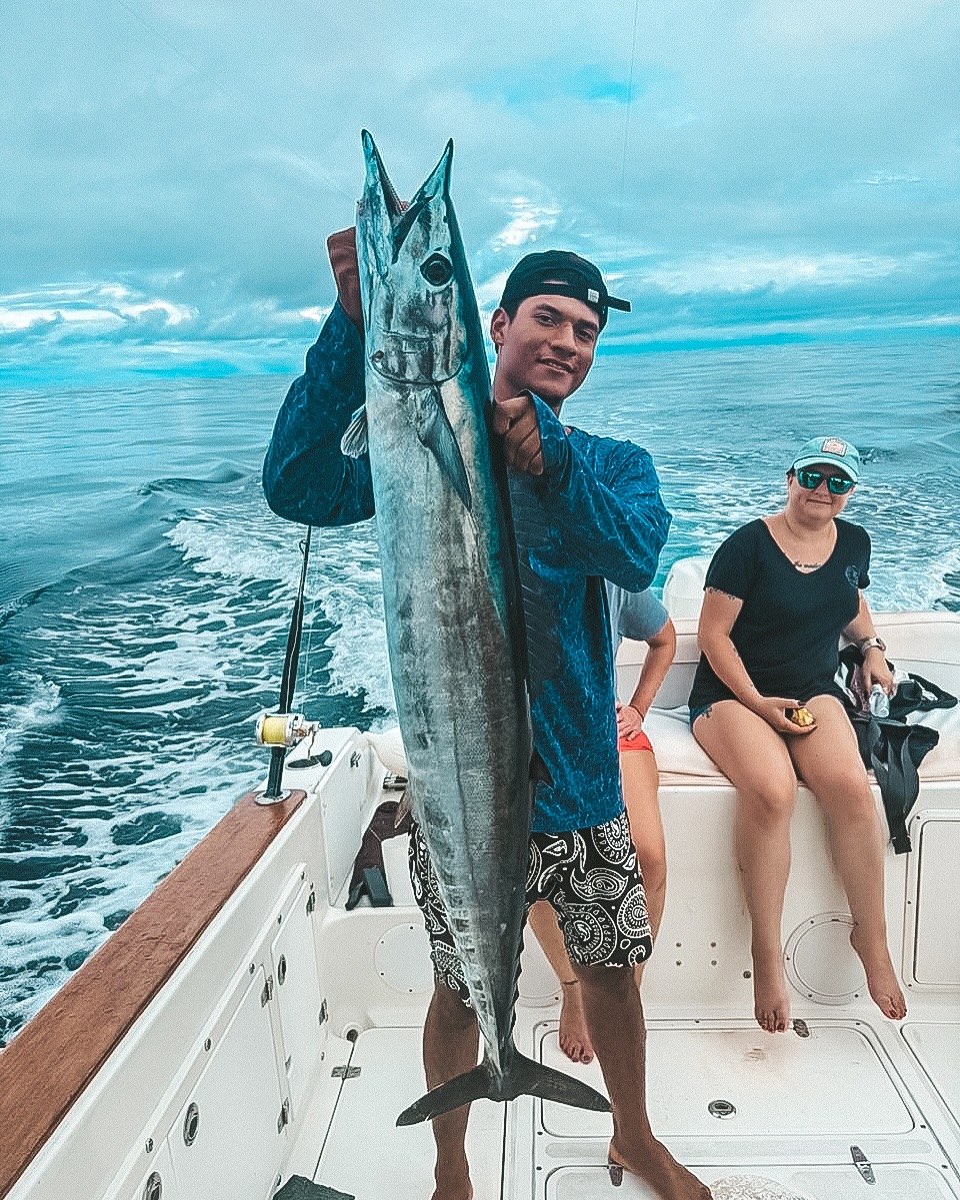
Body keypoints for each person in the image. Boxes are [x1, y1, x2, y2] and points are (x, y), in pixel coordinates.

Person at [264, 234, 709, 1200]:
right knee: (461, 989)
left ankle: (634, 1136)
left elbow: (634, 553)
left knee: (613, 979)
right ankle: (451, 1163)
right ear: (495, 326)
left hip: (582, 788)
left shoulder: (612, 463)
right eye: (547, 318)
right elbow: (295, 484)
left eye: (587, 331)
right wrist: (349, 327)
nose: (568, 342)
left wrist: (551, 464)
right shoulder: (412, 451)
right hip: (457, 790)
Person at [688, 436, 907, 1035]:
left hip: (813, 690)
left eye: (837, 482)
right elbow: (712, 637)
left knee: (851, 790)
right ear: (790, 478)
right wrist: (759, 704)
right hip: (733, 695)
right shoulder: (746, 548)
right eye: (813, 475)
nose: (822, 490)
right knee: (774, 791)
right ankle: (767, 953)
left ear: (850, 492)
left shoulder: (854, 541)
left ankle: (873, 937)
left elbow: (851, 600)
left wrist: (871, 648)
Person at [527, 586, 676, 1064]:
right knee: (538, 867)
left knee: (648, 856)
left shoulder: (611, 568)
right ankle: (573, 986)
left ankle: (626, 991)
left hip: (605, 732)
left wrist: (637, 708)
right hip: (530, 739)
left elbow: (665, 638)